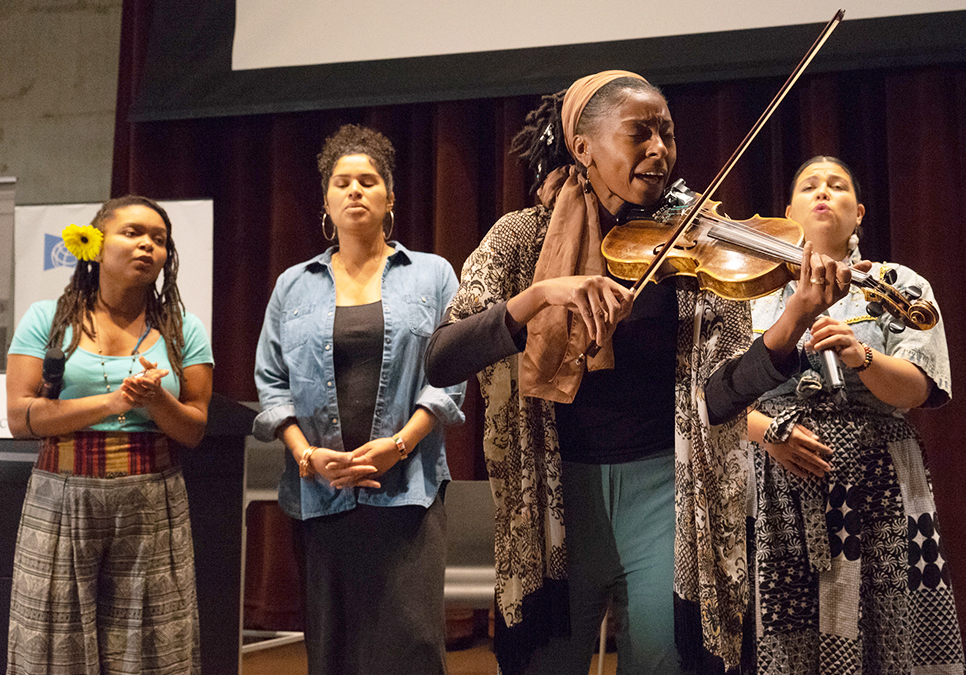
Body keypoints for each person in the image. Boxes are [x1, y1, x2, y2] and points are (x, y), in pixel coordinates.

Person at [424, 71, 860, 675]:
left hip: (666, 490)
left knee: (663, 661)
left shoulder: (695, 244)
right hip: (557, 494)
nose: (659, 149)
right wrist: (540, 297)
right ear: (584, 147)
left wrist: (795, 320)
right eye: (640, 134)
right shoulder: (521, 239)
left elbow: (724, 392)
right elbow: (442, 356)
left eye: (668, 134)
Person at [252, 124, 466, 675]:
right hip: (322, 494)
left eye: (368, 181)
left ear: (389, 197)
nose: (355, 191)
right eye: (342, 181)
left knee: (412, 647)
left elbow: (451, 374)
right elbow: (271, 385)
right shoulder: (292, 285)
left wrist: (399, 444)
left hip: (408, 488)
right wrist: (307, 457)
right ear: (326, 198)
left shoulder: (432, 274)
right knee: (334, 651)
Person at [747, 156, 964, 673]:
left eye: (838, 186)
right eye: (810, 186)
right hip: (777, 480)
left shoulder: (898, 283)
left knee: (888, 635)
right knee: (785, 641)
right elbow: (711, 395)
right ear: (787, 211)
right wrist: (770, 432)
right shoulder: (747, 291)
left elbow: (918, 389)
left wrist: (860, 355)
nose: (824, 192)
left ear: (859, 211)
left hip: (880, 481)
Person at [5, 196, 214, 675]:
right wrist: (113, 402)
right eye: (133, 233)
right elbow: (20, 418)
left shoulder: (183, 329)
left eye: (159, 240)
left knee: (150, 649)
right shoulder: (48, 319)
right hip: (60, 496)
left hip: (150, 498)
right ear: (96, 247)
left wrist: (156, 402)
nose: (148, 245)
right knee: (53, 645)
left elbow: (195, 429)